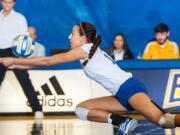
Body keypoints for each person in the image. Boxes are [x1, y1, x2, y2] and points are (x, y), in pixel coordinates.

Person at [1, 22, 180, 135]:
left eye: (73, 33)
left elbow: (48, 61)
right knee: (81, 110)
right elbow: (40, 62)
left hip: (129, 88)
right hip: (120, 94)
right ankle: (122, 122)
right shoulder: (87, 51)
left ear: (83, 38)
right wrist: (14, 64)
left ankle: (124, 122)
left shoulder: (84, 50)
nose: (69, 36)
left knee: (164, 121)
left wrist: (15, 59)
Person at [0, 0, 43, 118]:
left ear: (14, 3)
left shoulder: (20, 18)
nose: (7, 5)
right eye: (5, 2)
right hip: (0, 51)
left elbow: (24, 38)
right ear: (1, 2)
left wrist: (22, 55)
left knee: (25, 80)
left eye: (10, 2)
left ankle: (37, 110)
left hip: (14, 51)